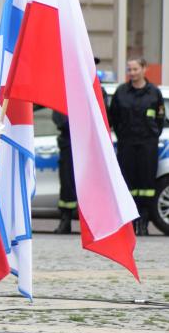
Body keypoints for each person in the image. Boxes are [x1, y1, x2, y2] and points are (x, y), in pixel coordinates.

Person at [109, 57, 165, 236]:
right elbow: (114, 118)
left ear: (144, 69)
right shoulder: (121, 92)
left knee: (147, 185)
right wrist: (123, 135)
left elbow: (160, 118)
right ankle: (130, 222)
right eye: (129, 70)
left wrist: (152, 135)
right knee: (128, 184)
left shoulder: (154, 93)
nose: (132, 73)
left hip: (148, 145)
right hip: (127, 145)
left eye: (135, 69)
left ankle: (144, 221)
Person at [52, 58, 108, 235]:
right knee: (67, 184)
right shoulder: (65, 88)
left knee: (91, 186)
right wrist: (76, 125)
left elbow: (102, 116)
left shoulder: (98, 90)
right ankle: (65, 220)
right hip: (69, 143)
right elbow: (58, 117)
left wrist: (84, 127)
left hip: (90, 144)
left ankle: (93, 226)